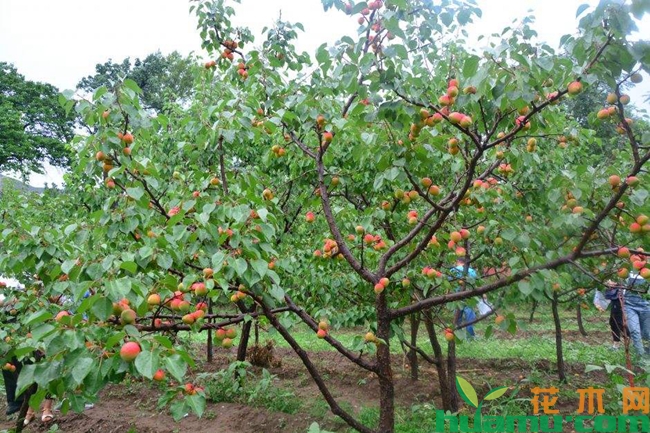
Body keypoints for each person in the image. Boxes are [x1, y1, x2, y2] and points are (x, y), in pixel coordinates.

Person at [622, 272, 650, 359]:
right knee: (634, 331)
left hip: (647, 306)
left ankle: (648, 354)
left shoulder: (648, 270)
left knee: (647, 333)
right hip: (629, 305)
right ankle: (641, 358)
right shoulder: (628, 270)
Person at [449, 257, 478, 338]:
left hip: (456, 297)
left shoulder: (453, 271)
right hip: (469, 296)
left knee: (457, 318)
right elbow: (475, 283)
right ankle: (470, 337)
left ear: (458, 261)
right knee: (470, 318)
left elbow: (449, 284)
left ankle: (457, 336)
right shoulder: (471, 271)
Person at [600, 281, 628, 350]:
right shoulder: (614, 289)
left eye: (611, 280)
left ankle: (617, 344)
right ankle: (623, 341)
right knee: (615, 323)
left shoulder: (620, 288)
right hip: (615, 305)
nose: (608, 282)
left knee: (617, 323)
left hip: (619, 306)